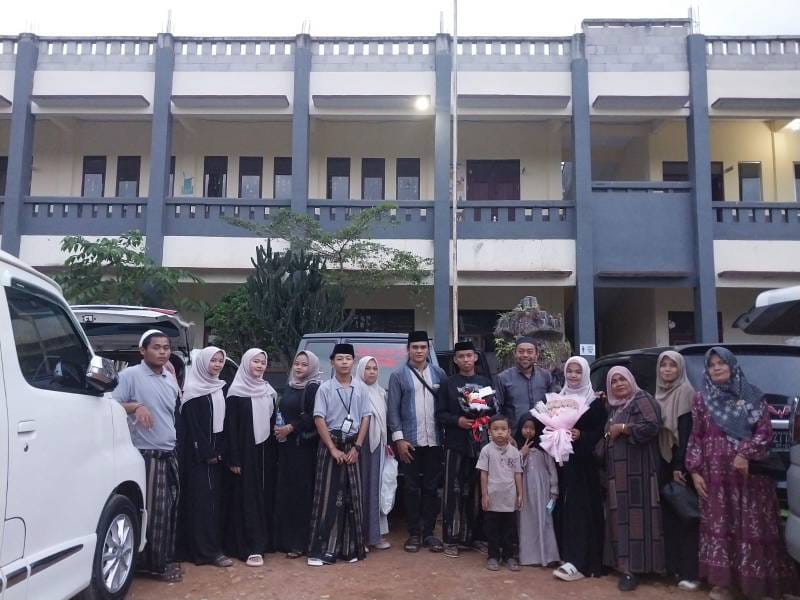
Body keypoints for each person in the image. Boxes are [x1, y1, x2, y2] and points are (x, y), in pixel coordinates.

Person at [686, 347, 799, 600]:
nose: (716, 368)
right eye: (712, 364)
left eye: (721, 363)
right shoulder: (702, 399)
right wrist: (694, 470)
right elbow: (697, 435)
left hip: (750, 477)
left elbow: (764, 432)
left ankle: (758, 585)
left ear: (732, 365)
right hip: (716, 476)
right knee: (721, 524)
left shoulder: (752, 395)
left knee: (753, 526)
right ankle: (723, 584)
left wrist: (745, 454)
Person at [114, 329, 183, 583]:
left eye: (166, 347)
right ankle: (151, 566)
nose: (163, 352)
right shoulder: (130, 375)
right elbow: (110, 405)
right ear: (142, 351)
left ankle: (163, 559)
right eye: (156, 347)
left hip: (169, 452)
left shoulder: (169, 377)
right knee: (153, 512)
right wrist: (136, 406)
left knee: (169, 510)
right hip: (146, 454)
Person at [307, 343, 372, 566]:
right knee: (327, 496)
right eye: (340, 358)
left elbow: (365, 417)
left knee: (352, 496)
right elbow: (319, 418)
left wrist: (357, 447)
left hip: (353, 445)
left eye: (348, 358)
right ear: (332, 362)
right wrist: (332, 448)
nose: (344, 362)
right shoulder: (325, 388)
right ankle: (320, 551)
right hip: (331, 444)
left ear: (353, 362)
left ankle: (349, 548)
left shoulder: (361, 388)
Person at [601, 366, 664, 592]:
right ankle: (624, 566)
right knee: (620, 517)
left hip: (639, 471)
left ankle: (635, 569)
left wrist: (624, 428)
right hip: (617, 472)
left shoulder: (641, 399)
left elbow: (652, 426)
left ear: (631, 380)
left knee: (638, 517)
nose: (618, 384)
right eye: (614, 381)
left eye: (622, 379)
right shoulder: (614, 407)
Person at [387, 330, 447, 553]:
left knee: (431, 488)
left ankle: (429, 533)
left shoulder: (439, 373)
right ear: (408, 349)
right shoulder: (398, 375)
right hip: (409, 442)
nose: (419, 351)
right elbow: (393, 410)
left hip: (435, 440)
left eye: (423, 347)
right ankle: (413, 534)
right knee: (411, 488)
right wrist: (399, 440)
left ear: (428, 349)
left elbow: (445, 404)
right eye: (415, 347)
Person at [435, 340, 495, 558]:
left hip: (480, 445)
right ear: (455, 360)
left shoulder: (485, 382)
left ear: (475, 357)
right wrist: (458, 420)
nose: (466, 360)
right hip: (455, 443)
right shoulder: (448, 383)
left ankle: (475, 537)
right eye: (461, 356)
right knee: (453, 490)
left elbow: (493, 409)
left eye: (469, 356)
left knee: (477, 490)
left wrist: (484, 419)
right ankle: (451, 539)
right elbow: (440, 414)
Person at [551, 356, 607, 582]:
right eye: (570, 371)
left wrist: (581, 435)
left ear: (585, 374)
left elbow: (601, 432)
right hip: (562, 463)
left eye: (578, 372)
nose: (573, 375)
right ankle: (566, 555)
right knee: (563, 509)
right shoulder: (559, 399)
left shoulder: (594, 402)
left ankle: (581, 561)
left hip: (584, 466)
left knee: (582, 510)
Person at [177, 346, 233, 568]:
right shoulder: (192, 391)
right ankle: (206, 552)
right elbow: (193, 427)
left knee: (214, 503)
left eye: (220, 361)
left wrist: (221, 450)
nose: (217, 364)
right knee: (202, 503)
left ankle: (210, 547)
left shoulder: (221, 387)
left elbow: (225, 423)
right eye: (213, 360)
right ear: (202, 363)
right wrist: (207, 452)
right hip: (198, 458)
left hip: (218, 455)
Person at [224, 348, 279, 566]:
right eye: (255, 361)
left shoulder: (268, 391)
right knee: (247, 498)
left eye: (263, 362)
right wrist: (234, 458)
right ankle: (250, 546)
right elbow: (230, 429)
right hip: (245, 453)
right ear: (246, 363)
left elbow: (273, 422)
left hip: (265, 453)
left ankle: (264, 541)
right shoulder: (236, 393)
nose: (259, 366)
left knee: (264, 496)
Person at [654, 351, 700, 591]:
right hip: (663, 461)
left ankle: (691, 572)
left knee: (686, 516)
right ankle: (673, 567)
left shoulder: (685, 392)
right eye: (663, 365)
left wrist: (679, 466)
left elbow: (686, 432)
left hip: (679, 464)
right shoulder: (658, 393)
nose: (667, 370)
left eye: (672, 365)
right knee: (669, 517)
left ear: (680, 369)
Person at [274, 350, 323, 559]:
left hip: (304, 448)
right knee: (286, 492)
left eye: (304, 364)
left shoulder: (313, 388)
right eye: (297, 363)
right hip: (287, 447)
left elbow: (315, 417)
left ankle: (300, 542)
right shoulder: (291, 385)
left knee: (302, 494)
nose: (299, 368)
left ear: (311, 367)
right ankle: (285, 540)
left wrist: (291, 427)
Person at [354, 355, 392, 550]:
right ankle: (359, 537)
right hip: (359, 445)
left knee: (376, 488)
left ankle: (374, 535)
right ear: (361, 370)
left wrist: (387, 443)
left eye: (374, 368)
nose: (371, 372)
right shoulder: (355, 391)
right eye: (367, 368)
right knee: (361, 488)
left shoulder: (381, 392)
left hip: (377, 446)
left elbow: (385, 421)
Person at [476, 414, 523, 572]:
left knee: (509, 529)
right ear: (489, 431)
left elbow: (518, 474)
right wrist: (484, 495)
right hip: (493, 497)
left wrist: (520, 494)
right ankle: (493, 556)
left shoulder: (514, 452)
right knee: (492, 529)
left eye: (503, 429)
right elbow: (483, 474)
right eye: (495, 429)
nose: (500, 432)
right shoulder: (486, 451)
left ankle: (509, 556)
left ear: (509, 431)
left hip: (509, 497)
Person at [516, 414, 559, 567]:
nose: (528, 431)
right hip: (525, 491)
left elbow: (552, 470)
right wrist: (522, 454)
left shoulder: (544, 449)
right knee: (527, 522)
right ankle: (529, 557)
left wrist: (554, 490)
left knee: (545, 520)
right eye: (525, 427)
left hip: (543, 491)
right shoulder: (515, 449)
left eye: (532, 428)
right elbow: (513, 469)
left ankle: (548, 556)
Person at [495, 336, 555, 426]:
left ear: (536, 354)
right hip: (514, 431)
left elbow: (553, 404)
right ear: (514, 353)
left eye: (530, 352)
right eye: (521, 351)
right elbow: (498, 409)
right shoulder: (503, 378)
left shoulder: (545, 376)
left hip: (542, 431)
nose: (525, 355)